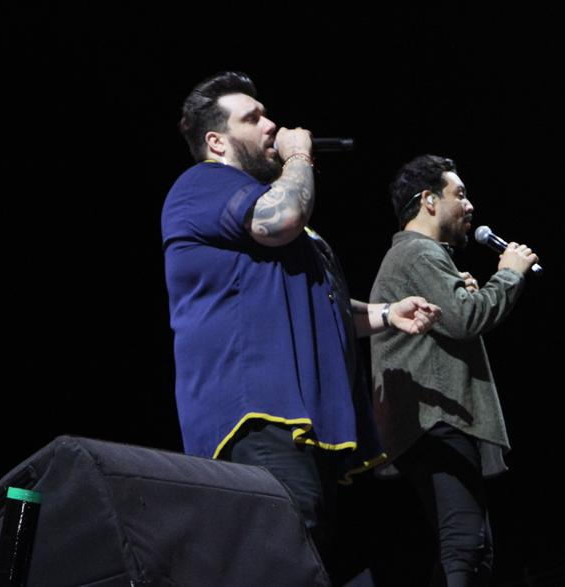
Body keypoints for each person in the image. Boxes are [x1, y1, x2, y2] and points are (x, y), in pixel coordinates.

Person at [160, 72, 440, 574]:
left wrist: (384, 314)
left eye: (266, 114)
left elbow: (316, 303)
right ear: (216, 141)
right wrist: (298, 158)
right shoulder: (201, 185)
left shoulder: (256, 207)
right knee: (284, 559)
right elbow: (286, 216)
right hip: (256, 417)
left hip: (302, 424)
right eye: (253, 118)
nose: (271, 125)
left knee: (310, 557)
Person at [369, 155, 539, 586]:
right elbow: (465, 319)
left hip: (431, 420)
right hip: (435, 419)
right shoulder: (417, 251)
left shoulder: (420, 256)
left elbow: (453, 316)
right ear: (429, 200)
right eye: (459, 194)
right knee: (464, 542)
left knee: (472, 546)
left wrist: (464, 293)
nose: (470, 206)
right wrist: (509, 276)